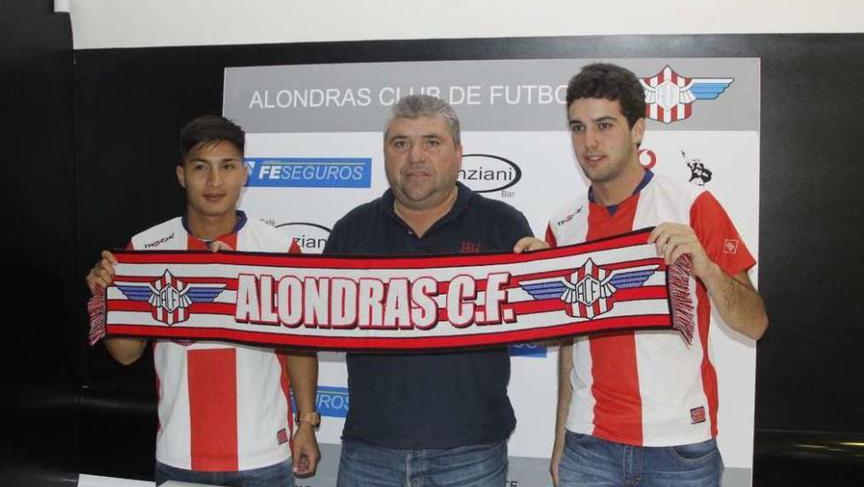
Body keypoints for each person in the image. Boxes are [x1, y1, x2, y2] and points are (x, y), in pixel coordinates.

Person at [542, 63, 768, 486]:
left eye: (604, 125)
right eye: (577, 127)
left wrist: (706, 267)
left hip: (679, 448)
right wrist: (560, 439)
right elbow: (571, 344)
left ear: (638, 129)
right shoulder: (564, 224)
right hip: (588, 447)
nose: (589, 142)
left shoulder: (693, 205)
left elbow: (755, 324)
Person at [85, 115, 320, 486]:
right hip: (180, 455)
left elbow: (298, 346)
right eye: (200, 168)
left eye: (227, 167)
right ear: (181, 175)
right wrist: (106, 296)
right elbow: (126, 354)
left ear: (244, 173)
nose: (214, 182)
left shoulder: (277, 249)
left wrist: (306, 422)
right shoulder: (146, 248)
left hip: (265, 457)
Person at [323, 95, 535, 486]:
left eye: (431, 142)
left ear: (458, 153)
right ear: (385, 153)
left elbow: (543, 311)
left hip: (471, 453)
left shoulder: (503, 225)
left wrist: (546, 274)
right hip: (370, 450)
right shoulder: (350, 231)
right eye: (400, 143)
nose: (415, 156)